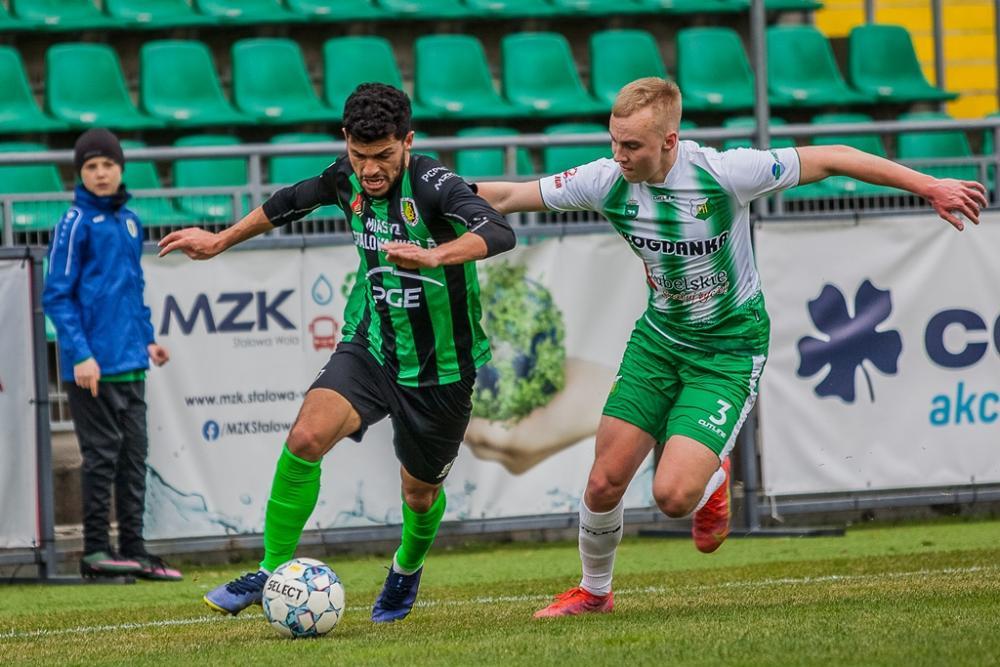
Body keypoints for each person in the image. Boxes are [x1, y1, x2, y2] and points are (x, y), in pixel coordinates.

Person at [475, 77, 987, 618]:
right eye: (614, 141)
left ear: (670, 141)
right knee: (604, 482)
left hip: (728, 350)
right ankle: (594, 593)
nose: (618, 155)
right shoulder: (605, 180)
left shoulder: (724, 173)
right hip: (659, 341)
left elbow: (835, 157)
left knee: (673, 498)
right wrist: (425, 190)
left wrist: (930, 186)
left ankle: (714, 478)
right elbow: (507, 196)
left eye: (632, 146)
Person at [158, 83, 516, 622]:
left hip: (441, 369)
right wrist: (218, 240)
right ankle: (269, 570)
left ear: (408, 142)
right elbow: (287, 203)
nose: (370, 170)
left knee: (418, 495)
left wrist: (436, 255)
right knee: (306, 437)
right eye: (359, 154)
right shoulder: (344, 177)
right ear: (346, 140)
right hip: (371, 346)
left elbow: (499, 230)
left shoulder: (433, 184)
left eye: (383, 156)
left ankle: (406, 567)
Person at [43, 128, 181, 581]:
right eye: (91, 166)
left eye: (108, 164)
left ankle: (135, 550)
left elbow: (131, 289)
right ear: (79, 174)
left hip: (131, 363)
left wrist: (147, 339)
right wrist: (81, 354)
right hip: (93, 369)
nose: (101, 173)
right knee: (101, 458)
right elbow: (57, 296)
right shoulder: (74, 223)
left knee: (134, 459)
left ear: (121, 168)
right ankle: (96, 551)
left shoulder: (130, 221)